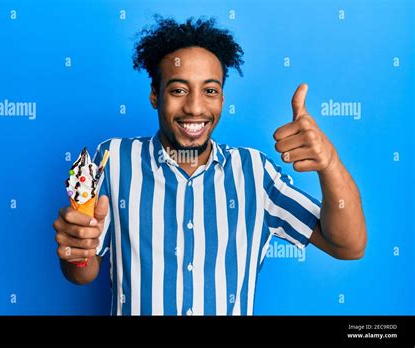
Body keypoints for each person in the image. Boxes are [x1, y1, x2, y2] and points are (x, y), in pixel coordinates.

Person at [53, 16, 367, 315]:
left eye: (210, 91)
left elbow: (348, 245)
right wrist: (75, 251)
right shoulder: (115, 160)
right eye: (178, 90)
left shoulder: (255, 173)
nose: (195, 107)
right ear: (154, 95)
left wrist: (329, 162)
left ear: (222, 98)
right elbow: (82, 272)